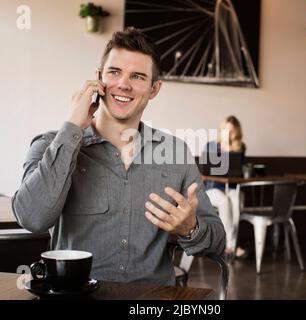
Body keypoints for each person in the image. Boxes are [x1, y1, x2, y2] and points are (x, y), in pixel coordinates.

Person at [11, 27, 225, 285]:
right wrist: (72, 128)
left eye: (137, 76)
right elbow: (32, 218)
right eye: (114, 72)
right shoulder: (50, 144)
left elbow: (218, 241)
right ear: (99, 77)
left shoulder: (176, 153)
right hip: (77, 297)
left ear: (154, 89)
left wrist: (190, 229)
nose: (124, 84)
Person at [203, 115, 247, 260]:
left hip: (232, 189)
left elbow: (240, 170)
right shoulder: (211, 145)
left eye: (232, 131)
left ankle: (231, 245)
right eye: (225, 130)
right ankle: (227, 244)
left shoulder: (240, 147)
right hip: (212, 189)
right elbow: (206, 171)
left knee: (235, 199)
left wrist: (230, 150)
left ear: (237, 132)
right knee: (224, 200)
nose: (228, 134)